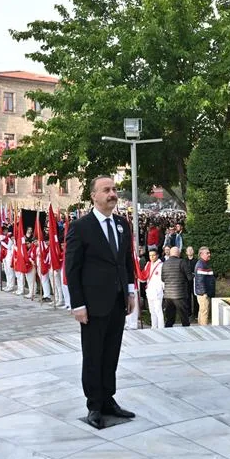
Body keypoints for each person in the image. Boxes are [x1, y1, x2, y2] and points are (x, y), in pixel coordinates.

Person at [65, 175, 136, 430]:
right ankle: (94, 405)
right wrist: (78, 304)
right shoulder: (81, 227)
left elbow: (126, 260)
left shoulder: (121, 224)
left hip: (117, 300)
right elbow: (72, 268)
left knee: (111, 354)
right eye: (106, 190)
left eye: (114, 189)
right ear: (93, 195)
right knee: (93, 355)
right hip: (93, 304)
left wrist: (130, 291)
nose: (112, 194)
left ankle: (108, 399)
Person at [161, 246, 192, 327]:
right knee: (184, 319)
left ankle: (168, 335)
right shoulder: (182, 262)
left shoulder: (164, 263)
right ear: (178, 253)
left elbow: (163, 279)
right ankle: (188, 336)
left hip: (168, 295)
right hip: (180, 295)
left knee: (170, 319)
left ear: (170, 253)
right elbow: (189, 278)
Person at [141, 248, 165, 329]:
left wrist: (163, 289)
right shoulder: (148, 264)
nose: (152, 257)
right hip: (150, 290)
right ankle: (154, 326)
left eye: (153, 255)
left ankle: (161, 327)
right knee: (152, 311)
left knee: (158, 310)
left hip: (158, 291)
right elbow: (144, 276)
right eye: (150, 255)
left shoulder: (161, 265)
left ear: (157, 255)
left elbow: (163, 279)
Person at [193, 246, 215, 325]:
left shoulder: (204, 263)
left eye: (209, 253)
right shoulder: (201, 264)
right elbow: (200, 281)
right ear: (201, 254)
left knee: (202, 311)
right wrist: (204, 293)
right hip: (203, 294)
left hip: (203, 292)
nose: (209, 254)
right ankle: (204, 331)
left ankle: (201, 329)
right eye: (207, 253)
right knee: (204, 312)